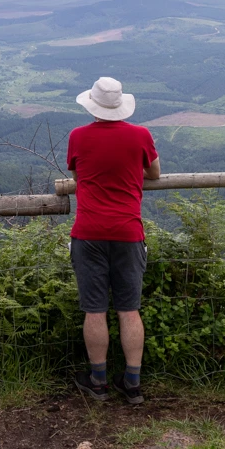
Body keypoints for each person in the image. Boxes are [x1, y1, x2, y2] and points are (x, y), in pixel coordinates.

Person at [67, 76, 160, 404]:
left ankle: (98, 380)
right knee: (129, 309)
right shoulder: (141, 136)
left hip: (89, 232)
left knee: (94, 310)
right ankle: (132, 384)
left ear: (92, 105)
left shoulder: (78, 137)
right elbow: (155, 174)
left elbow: (78, 177)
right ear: (121, 106)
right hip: (128, 233)